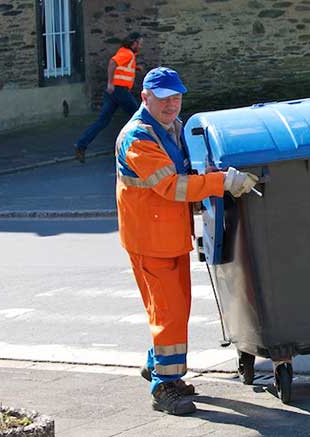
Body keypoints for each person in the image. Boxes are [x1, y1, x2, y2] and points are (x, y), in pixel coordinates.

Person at [116, 66, 258, 415]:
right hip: (150, 240)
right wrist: (220, 182)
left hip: (168, 236)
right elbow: (172, 186)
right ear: (145, 97)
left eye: (176, 98)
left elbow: (186, 174)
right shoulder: (138, 138)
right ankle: (164, 387)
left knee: (174, 310)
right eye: (163, 99)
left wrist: (212, 178)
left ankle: (159, 366)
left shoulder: (172, 128)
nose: (171, 105)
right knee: (169, 314)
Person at [74, 32, 144, 163]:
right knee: (139, 117)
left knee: (103, 121)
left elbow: (121, 68)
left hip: (114, 92)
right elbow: (112, 63)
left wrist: (135, 68)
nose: (140, 46)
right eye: (140, 43)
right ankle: (136, 147)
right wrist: (110, 83)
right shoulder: (127, 54)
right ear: (134, 43)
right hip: (119, 90)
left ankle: (81, 145)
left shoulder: (126, 54)